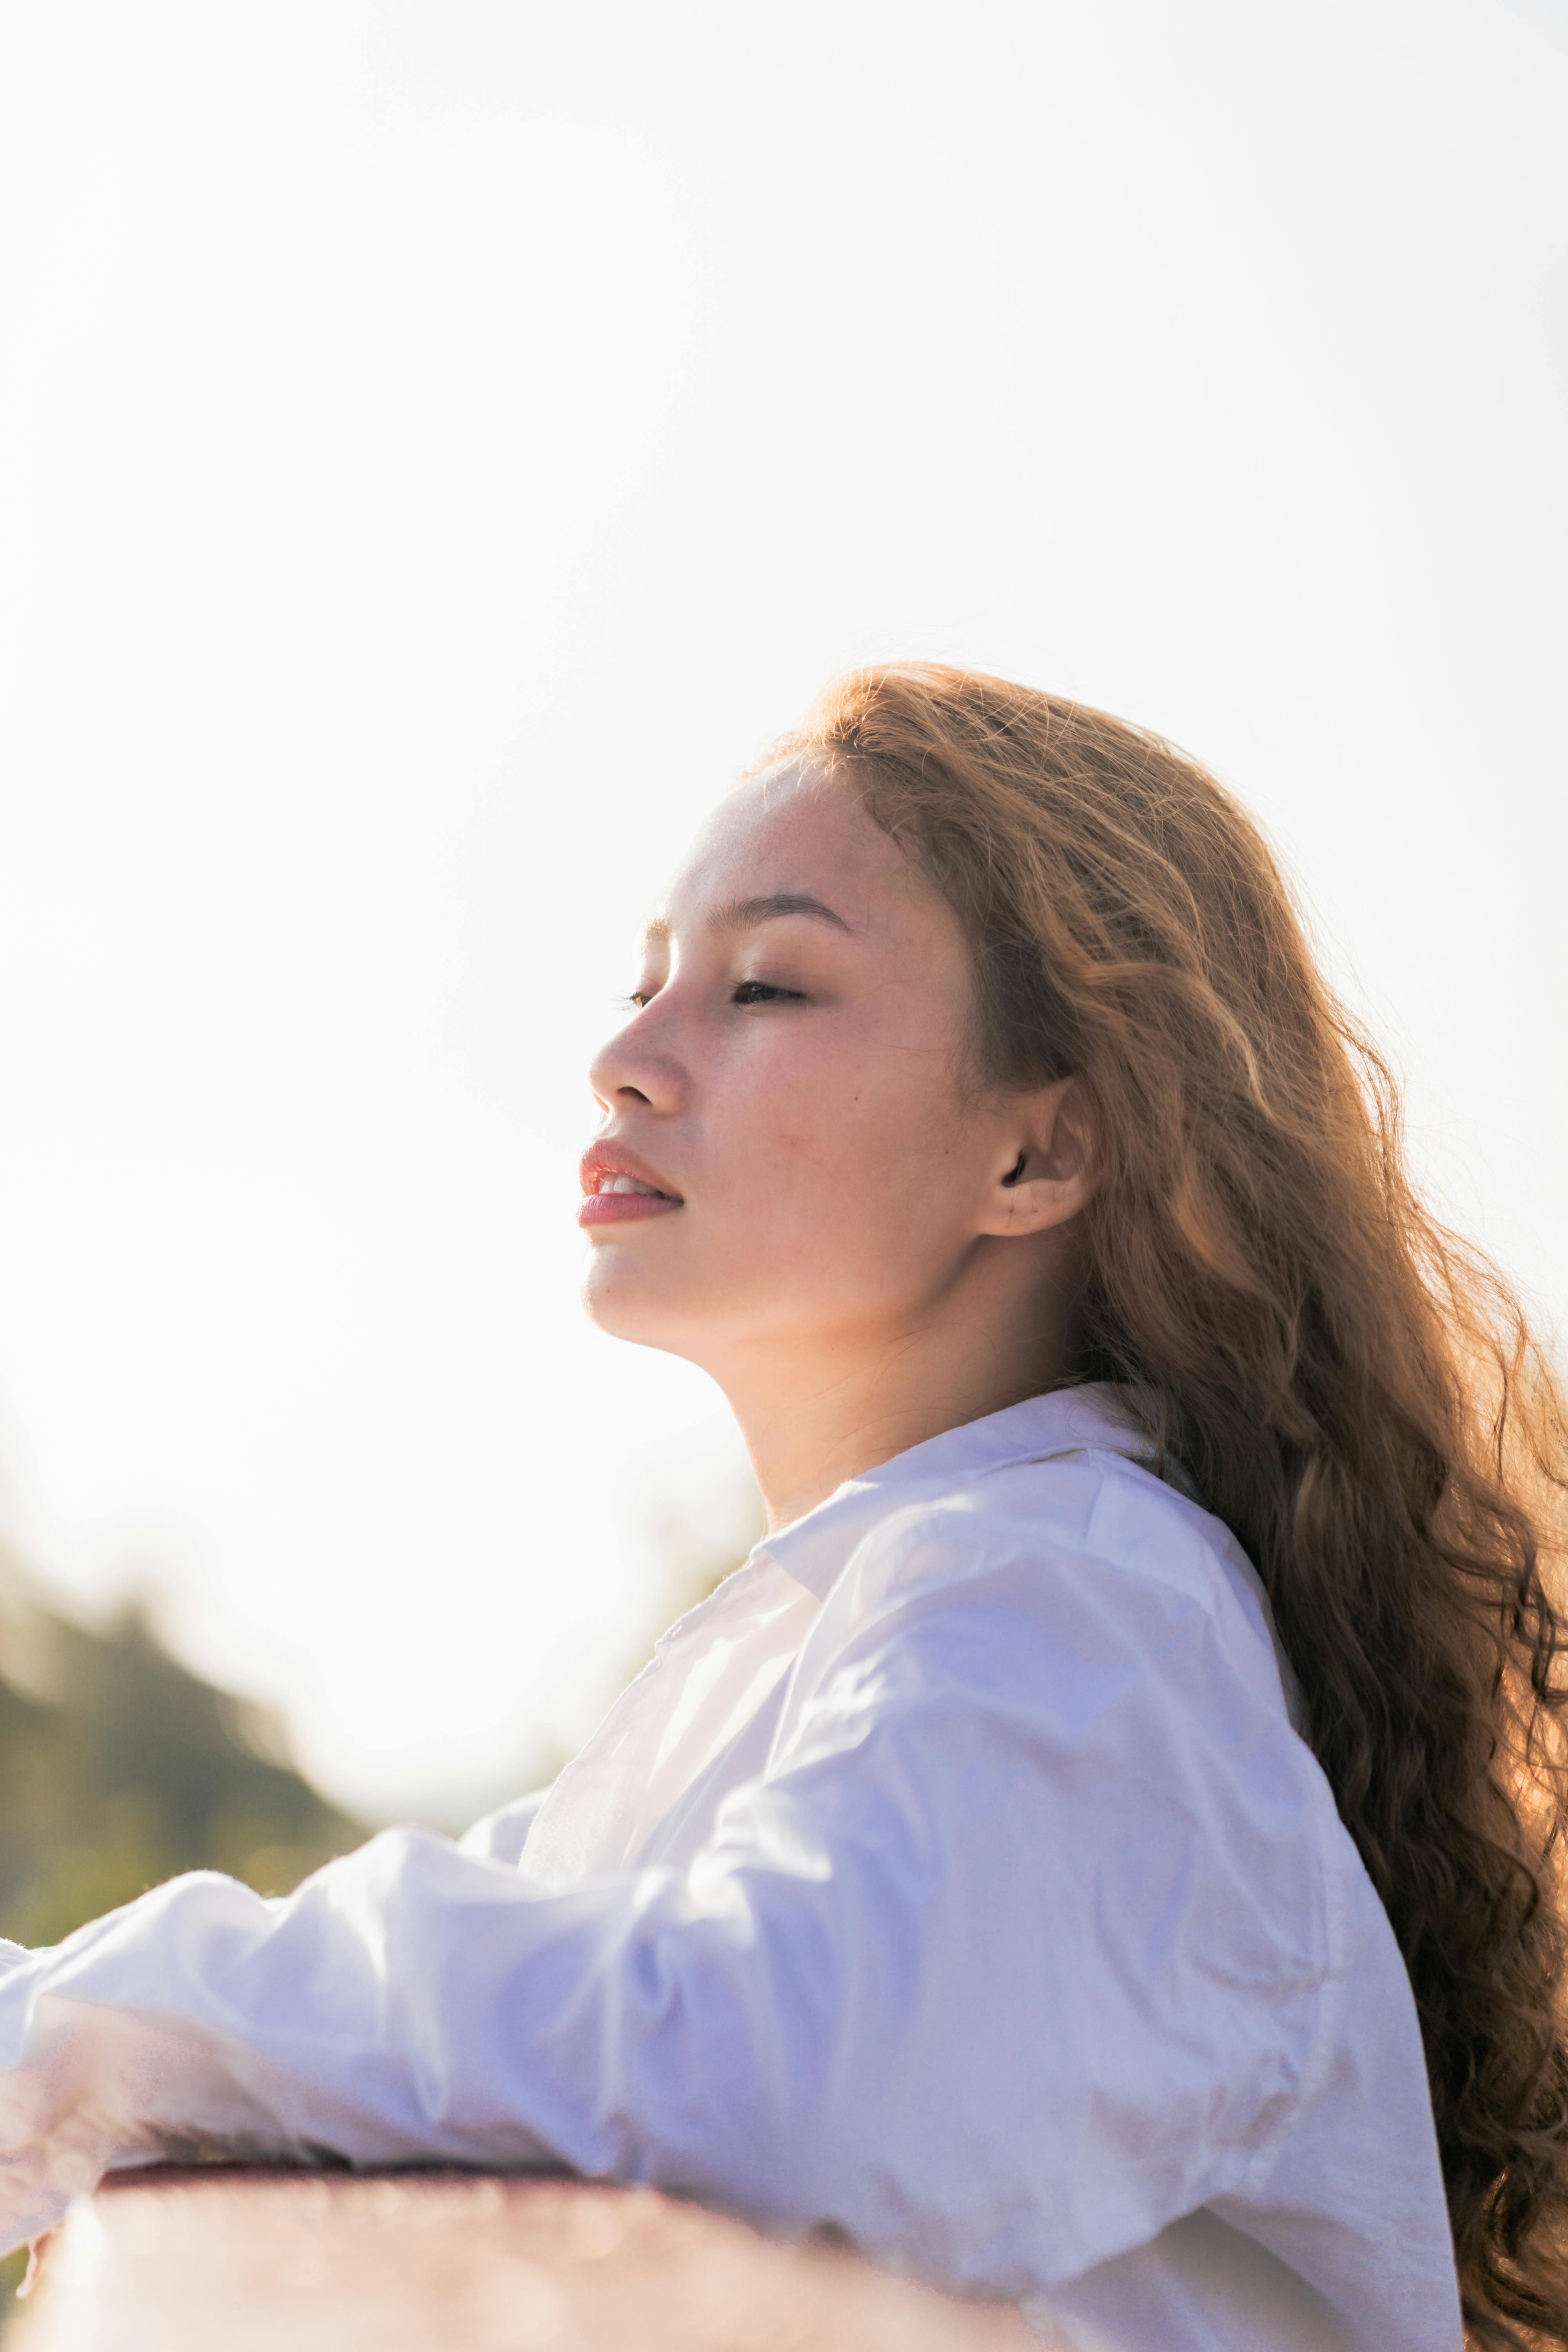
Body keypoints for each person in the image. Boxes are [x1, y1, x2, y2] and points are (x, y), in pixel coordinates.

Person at [1, 666, 1563, 2350]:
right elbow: (547, 1969)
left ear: (1034, 1158)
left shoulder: (1078, 1599)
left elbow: (774, 2055)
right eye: (646, 982)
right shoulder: (860, 1631)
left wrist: (93, 2030)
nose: (622, 1061)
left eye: (761, 987)